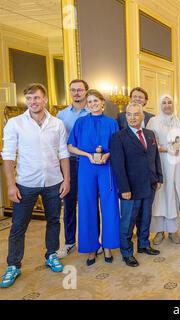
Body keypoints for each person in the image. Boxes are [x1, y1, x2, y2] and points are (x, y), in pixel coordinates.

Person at [0, 83, 70, 288]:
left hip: (53, 181)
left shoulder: (57, 124)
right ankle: (13, 265)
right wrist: (11, 186)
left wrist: (66, 179)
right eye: (29, 99)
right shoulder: (15, 123)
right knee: (18, 226)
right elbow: (8, 156)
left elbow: (63, 153)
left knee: (54, 221)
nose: (33, 102)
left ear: (45, 99)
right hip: (25, 183)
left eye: (37, 98)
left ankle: (51, 255)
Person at [68, 89, 120, 266]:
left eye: (95, 101)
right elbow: (70, 147)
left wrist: (108, 155)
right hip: (86, 167)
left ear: (102, 103)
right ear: (86, 104)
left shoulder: (112, 123)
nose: (92, 104)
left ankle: (108, 246)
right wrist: (88, 155)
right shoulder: (80, 122)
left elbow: (117, 147)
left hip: (106, 167)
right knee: (87, 206)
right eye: (89, 102)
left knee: (110, 205)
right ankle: (91, 248)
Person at [110, 103, 163, 267]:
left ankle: (143, 245)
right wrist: (124, 189)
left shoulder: (150, 134)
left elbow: (155, 158)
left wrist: (159, 177)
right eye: (129, 114)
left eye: (135, 114)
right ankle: (127, 252)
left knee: (145, 217)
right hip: (130, 189)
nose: (132, 117)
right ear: (126, 116)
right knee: (128, 222)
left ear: (142, 116)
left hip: (149, 184)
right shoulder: (118, 137)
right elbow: (118, 166)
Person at [56, 79, 90, 258]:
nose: (76, 93)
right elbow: (58, 141)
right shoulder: (62, 115)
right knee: (69, 204)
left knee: (89, 203)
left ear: (86, 92)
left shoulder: (91, 111)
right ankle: (69, 241)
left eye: (80, 90)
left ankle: (91, 240)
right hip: (68, 163)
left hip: (87, 163)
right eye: (73, 90)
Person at [147, 95, 180, 245]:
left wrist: (178, 149)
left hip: (176, 164)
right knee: (159, 196)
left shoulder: (179, 120)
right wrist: (165, 149)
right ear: (159, 104)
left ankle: (173, 230)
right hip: (159, 162)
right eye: (164, 102)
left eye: (170, 102)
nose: (167, 105)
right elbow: (149, 144)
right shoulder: (153, 121)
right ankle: (159, 231)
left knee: (173, 194)